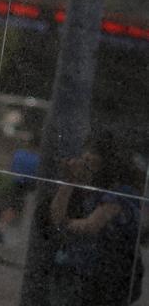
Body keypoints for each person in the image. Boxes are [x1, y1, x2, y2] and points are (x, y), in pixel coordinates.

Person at [49, 131, 144, 306]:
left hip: (109, 277)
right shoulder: (89, 190)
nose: (85, 162)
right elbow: (56, 215)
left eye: (91, 158)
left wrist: (65, 223)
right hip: (81, 273)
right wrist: (69, 181)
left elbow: (91, 225)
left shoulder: (122, 193)